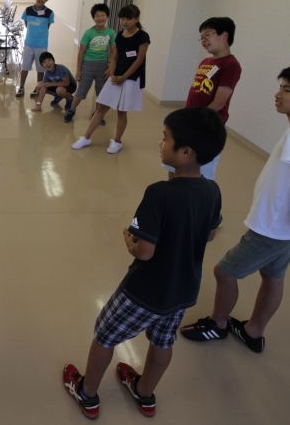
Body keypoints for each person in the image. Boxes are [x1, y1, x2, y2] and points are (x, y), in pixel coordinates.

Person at [63, 107, 226, 419]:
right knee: (163, 342)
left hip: (144, 290)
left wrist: (128, 237)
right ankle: (144, 392)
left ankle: (87, 393)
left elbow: (144, 252)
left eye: (165, 139)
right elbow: (210, 233)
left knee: (105, 335)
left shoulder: (159, 194)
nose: (160, 143)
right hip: (183, 289)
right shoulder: (211, 190)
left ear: (186, 152)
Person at [180, 64, 290, 354]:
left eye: (287, 89)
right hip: (285, 230)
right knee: (273, 277)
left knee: (225, 272)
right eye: (280, 87)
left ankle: (218, 324)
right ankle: (254, 331)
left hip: (271, 229)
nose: (277, 94)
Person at [169, 16, 241, 179]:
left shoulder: (230, 65)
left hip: (207, 126)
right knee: (178, 164)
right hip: (192, 121)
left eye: (208, 34)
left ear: (224, 35)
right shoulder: (206, 61)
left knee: (202, 171)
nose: (203, 40)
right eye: (201, 37)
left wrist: (196, 121)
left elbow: (219, 102)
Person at [72, 5, 150, 154]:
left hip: (131, 78)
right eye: (122, 18)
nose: (125, 22)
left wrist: (124, 77)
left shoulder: (143, 37)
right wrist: (113, 73)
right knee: (101, 107)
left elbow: (139, 60)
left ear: (136, 19)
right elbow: (114, 56)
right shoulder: (120, 35)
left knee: (121, 111)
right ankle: (86, 137)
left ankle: (117, 141)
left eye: (129, 18)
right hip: (116, 77)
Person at [64, 4, 116, 123]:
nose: (100, 18)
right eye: (97, 16)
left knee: (101, 92)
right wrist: (79, 69)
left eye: (103, 15)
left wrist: (111, 68)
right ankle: (71, 110)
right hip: (88, 65)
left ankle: (97, 114)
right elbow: (81, 52)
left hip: (103, 66)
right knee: (82, 90)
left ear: (107, 17)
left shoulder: (111, 33)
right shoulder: (89, 33)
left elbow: (114, 52)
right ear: (93, 18)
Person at [16, 0, 54, 98]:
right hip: (28, 44)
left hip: (41, 46)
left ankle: (38, 87)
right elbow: (26, 23)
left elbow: (47, 27)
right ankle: (21, 87)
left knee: (40, 69)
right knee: (25, 67)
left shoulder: (49, 13)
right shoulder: (28, 10)